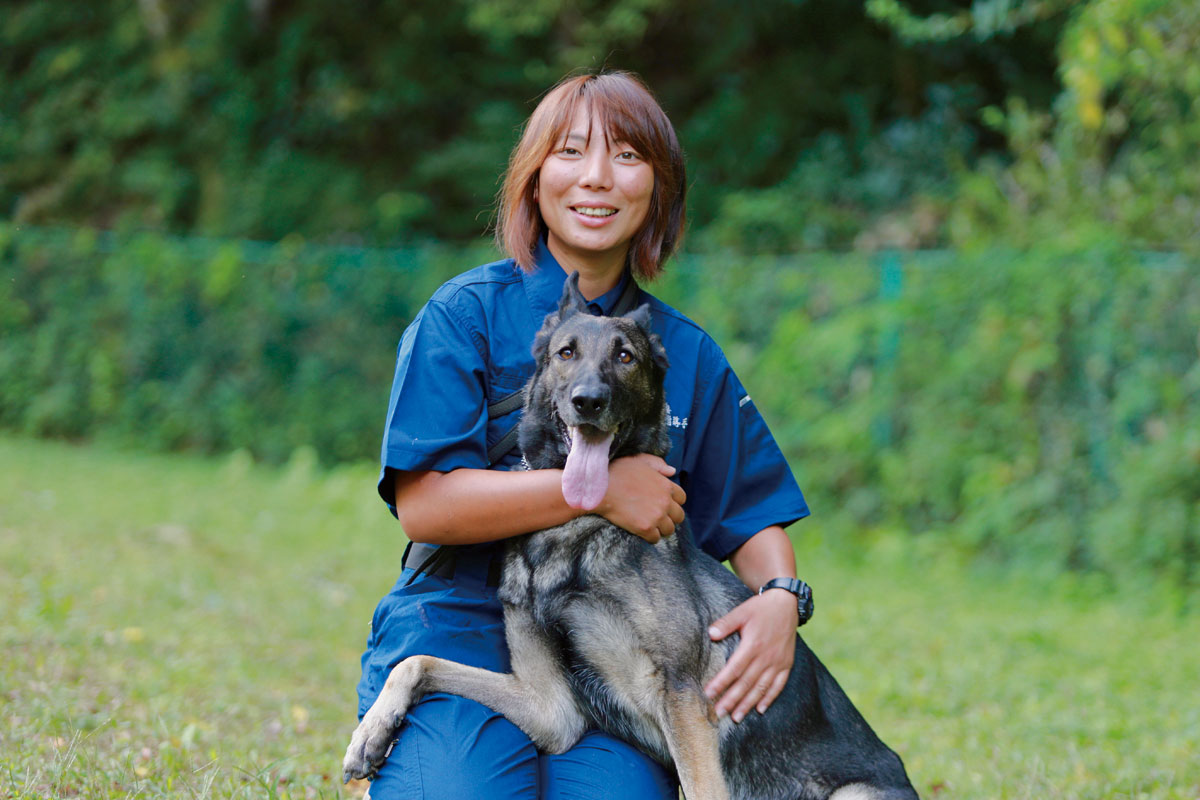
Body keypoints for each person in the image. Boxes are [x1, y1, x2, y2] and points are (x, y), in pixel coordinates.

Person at [355, 71, 810, 800]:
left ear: (657, 190)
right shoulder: (463, 315)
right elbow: (426, 506)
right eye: (571, 152)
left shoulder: (684, 352)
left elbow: (751, 511)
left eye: (627, 157)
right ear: (534, 179)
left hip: (613, 659)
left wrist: (782, 597)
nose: (597, 178)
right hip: (464, 621)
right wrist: (598, 493)